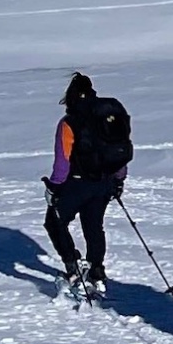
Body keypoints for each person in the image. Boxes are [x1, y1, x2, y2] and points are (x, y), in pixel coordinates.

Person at [43, 72, 129, 293]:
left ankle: (73, 266)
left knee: (55, 221)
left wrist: (54, 187)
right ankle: (97, 270)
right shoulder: (107, 115)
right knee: (94, 226)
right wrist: (118, 180)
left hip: (77, 183)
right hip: (105, 182)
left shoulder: (69, 123)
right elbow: (117, 150)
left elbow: (62, 162)